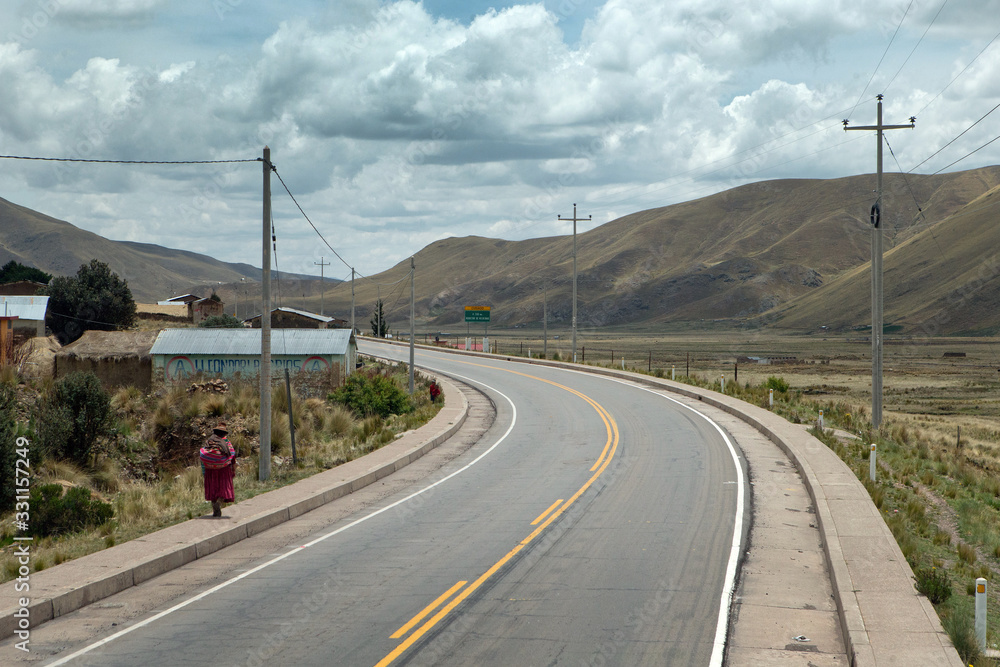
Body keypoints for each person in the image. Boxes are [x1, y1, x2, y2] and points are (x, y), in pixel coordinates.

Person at [200, 422, 236, 518]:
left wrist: (204, 470)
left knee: (213, 489)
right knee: (223, 489)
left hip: (210, 470)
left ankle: (215, 510)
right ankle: (219, 504)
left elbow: (203, 456)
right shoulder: (226, 442)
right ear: (224, 433)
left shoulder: (209, 441)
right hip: (223, 470)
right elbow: (232, 456)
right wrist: (233, 469)